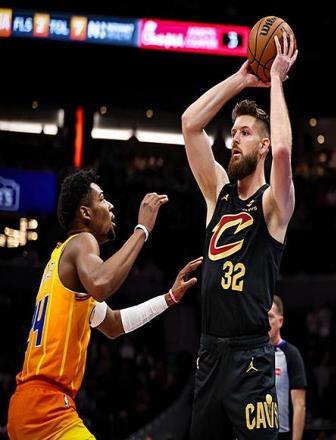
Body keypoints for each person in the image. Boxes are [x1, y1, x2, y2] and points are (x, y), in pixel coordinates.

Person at [7, 169, 202, 440]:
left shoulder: (64, 264)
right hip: (47, 409)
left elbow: (113, 325)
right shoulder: (81, 242)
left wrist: (168, 298)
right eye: (101, 199)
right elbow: (102, 282)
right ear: (85, 213)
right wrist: (142, 230)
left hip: (27, 405)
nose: (110, 205)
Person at [182, 31, 298, 440]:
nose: (235, 138)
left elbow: (283, 152)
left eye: (245, 133)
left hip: (251, 358)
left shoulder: (273, 204)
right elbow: (190, 124)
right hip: (210, 352)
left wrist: (277, 78)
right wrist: (242, 78)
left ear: (262, 145)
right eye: (234, 132)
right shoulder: (218, 192)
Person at [268, 295, 307, 440]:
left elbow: (299, 404)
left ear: (280, 321)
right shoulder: (252, 354)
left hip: (282, 434)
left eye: (270, 317)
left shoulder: (291, 354)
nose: (266, 322)